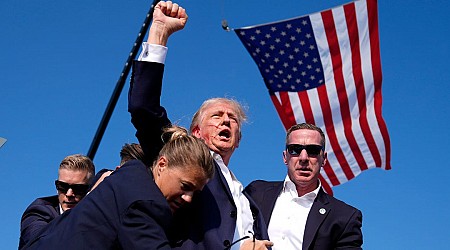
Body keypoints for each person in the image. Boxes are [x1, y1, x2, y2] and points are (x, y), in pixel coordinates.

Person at [128, 1, 272, 249]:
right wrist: (159, 34)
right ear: (196, 131)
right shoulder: (182, 158)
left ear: (238, 140)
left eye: (233, 118)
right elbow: (143, 108)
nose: (226, 120)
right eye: (217, 116)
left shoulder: (246, 197)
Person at [22, 126, 215, 249]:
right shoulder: (144, 203)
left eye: (195, 193)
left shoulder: (130, 173)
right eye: (185, 186)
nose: (188, 198)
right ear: (162, 164)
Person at [244, 123, 363, 250]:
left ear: (324, 158)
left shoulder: (345, 216)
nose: (303, 158)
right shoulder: (256, 192)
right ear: (285, 157)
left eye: (313, 150)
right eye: (295, 149)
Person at [19, 154, 95, 249]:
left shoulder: (97, 216)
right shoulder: (38, 211)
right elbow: (42, 245)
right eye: (62, 186)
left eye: (78, 188)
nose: (69, 194)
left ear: (90, 190)